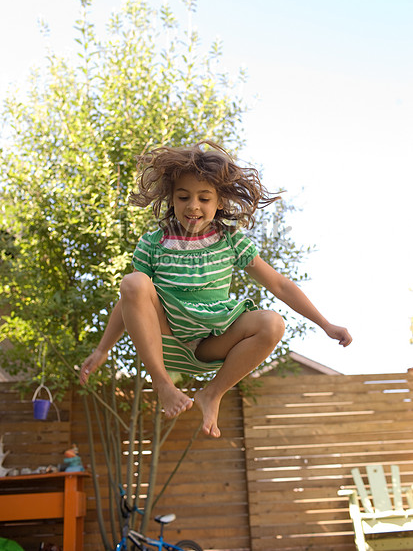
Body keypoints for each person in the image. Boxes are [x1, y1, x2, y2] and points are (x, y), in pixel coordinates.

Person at [80, 141, 351, 438]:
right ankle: (162, 382)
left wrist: (325, 324)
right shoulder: (153, 243)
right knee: (133, 282)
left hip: (212, 342)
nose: (193, 206)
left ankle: (212, 394)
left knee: (272, 322)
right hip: (167, 336)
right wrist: (102, 348)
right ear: (172, 199)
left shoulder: (231, 241)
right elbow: (130, 300)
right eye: (183, 197)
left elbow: (279, 284)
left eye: (204, 198)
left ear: (219, 202)